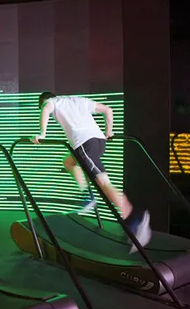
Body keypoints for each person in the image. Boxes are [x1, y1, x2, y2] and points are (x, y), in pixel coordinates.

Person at [32, 91, 152, 254]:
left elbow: (46, 109)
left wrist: (42, 133)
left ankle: (134, 219)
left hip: (84, 145)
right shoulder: (77, 100)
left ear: (43, 101)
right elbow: (108, 110)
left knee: (103, 183)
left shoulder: (52, 102)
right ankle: (87, 195)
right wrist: (109, 132)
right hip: (99, 142)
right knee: (68, 162)